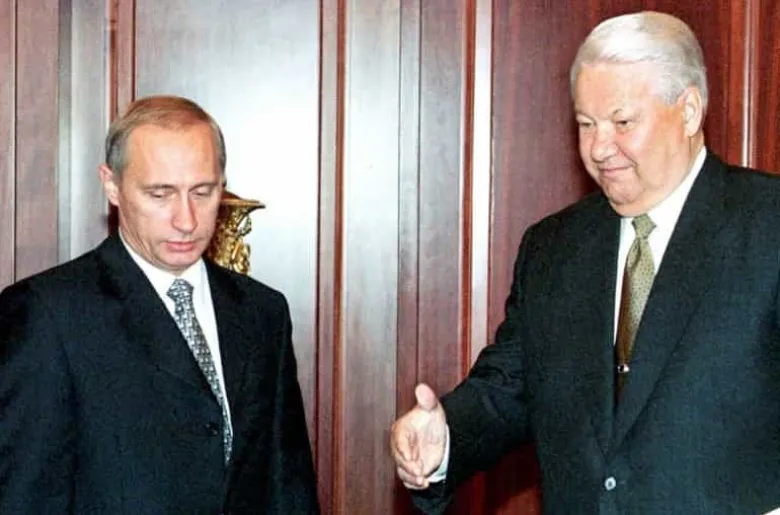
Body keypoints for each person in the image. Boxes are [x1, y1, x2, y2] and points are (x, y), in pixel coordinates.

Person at [390, 10, 780, 515]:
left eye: (622, 123)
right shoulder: (554, 248)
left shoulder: (767, 226)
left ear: (688, 112)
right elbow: (509, 388)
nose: (599, 148)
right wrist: (444, 439)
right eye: (585, 124)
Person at [0, 95, 319, 514]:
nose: (187, 220)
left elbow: (287, 487)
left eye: (203, 192)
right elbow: (23, 495)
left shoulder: (263, 312)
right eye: (160, 194)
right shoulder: (48, 314)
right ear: (112, 185)